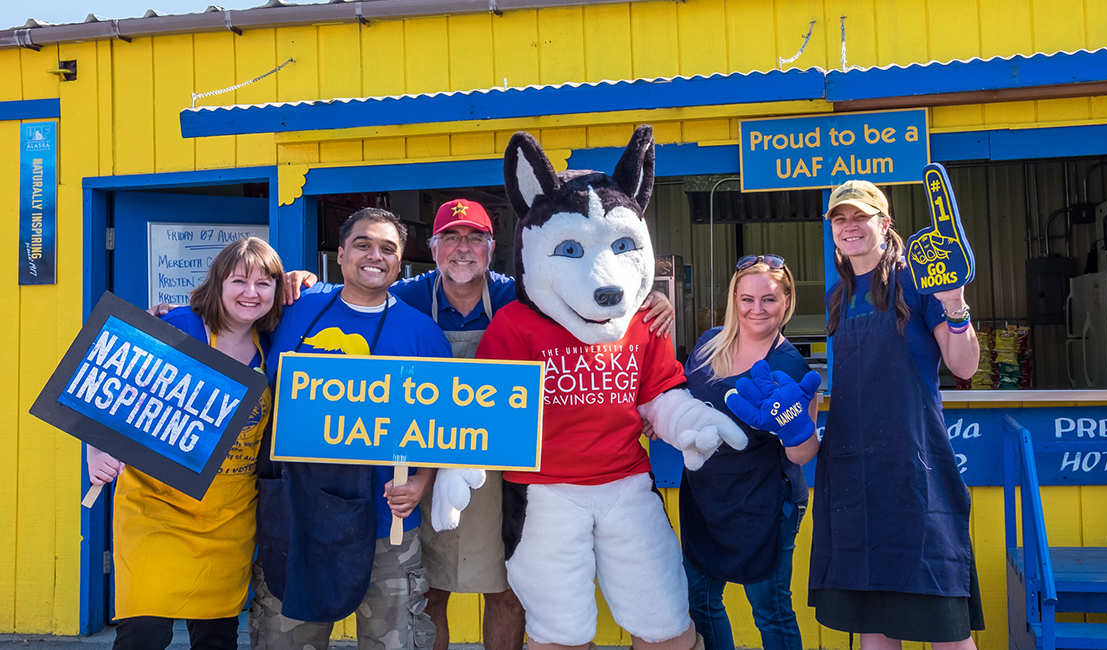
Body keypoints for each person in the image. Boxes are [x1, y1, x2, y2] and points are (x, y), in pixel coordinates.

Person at [284, 197, 674, 650]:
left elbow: (592, 308)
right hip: (425, 469)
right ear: (432, 249)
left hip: (503, 473)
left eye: (474, 238)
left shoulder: (522, 296)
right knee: (429, 591)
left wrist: (647, 299)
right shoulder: (406, 298)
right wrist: (302, 282)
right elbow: (354, 298)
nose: (462, 248)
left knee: (506, 590)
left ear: (492, 247)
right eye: (450, 237)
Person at [252, 208, 451, 650]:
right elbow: (228, 327)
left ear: (400, 264)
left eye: (387, 249)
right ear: (340, 254)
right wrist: (171, 318)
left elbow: (447, 426)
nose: (374, 256)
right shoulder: (293, 308)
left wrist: (421, 481)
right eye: (362, 244)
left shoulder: (423, 335)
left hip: (388, 518)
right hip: (295, 515)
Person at [86, 237, 286, 650]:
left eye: (264, 283)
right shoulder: (178, 326)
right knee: (144, 632)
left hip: (229, 516)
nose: (252, 293)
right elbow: (106, 383)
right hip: (155, 507)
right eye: (239, 280)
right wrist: (97, 449)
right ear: (217, 282)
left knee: (216, 637)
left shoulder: (275, 343)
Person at [812, 180, 982, 650]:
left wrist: (955, 304)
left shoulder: (919, 280)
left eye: (860, 216)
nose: (849, 227)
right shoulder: (837, 294)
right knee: (875, 616)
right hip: (855, 475)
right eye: (840, 219)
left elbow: (964, 365)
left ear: (885, 224)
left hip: (914, 470)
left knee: (943, 618)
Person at [673, 255, 820, 650]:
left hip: (765, 500)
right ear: (734, 300)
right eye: (747, 299)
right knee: (699, 601)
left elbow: (802, 455)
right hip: (706, 496)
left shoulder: (789, 364)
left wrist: (796, 430)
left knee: (770, 611)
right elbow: (682, 403)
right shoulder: (709, 344)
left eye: (769, 299)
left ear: (787, 302)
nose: (757, 309)